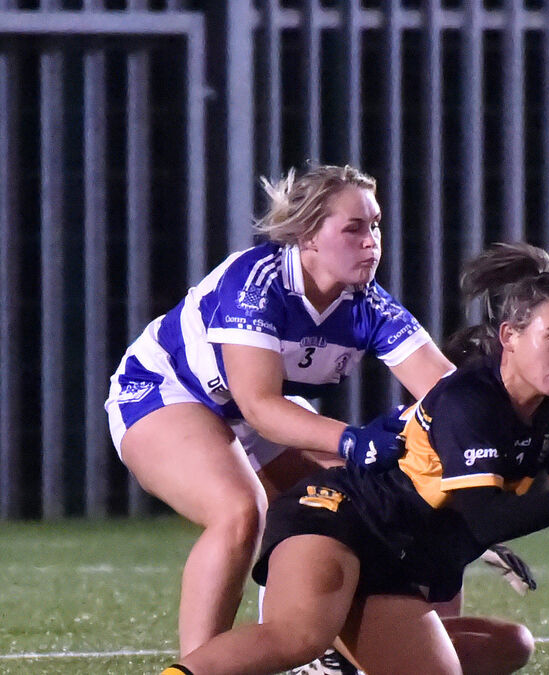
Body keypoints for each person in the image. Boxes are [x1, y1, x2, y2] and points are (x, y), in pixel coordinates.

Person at [159, 245, 549, 675]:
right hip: (340, 520)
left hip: (398, 561)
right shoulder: (470, 400)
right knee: (297, 635)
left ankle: (336, 662)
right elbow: (489, 518)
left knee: (506, 647)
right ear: (510, 337)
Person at [104, 163, 455, 660]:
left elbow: (448, 396)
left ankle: (322, 656)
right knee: (239, 510)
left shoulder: (369, 304)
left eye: (375, 225)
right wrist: (351, 439)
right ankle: (203, 667)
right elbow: (260, 406)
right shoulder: (257, 281)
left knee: (349, 510)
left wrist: (476, 493)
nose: (371, 241)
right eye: (353, 228)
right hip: (166, 390)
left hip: (252, 408)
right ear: (308, 235)